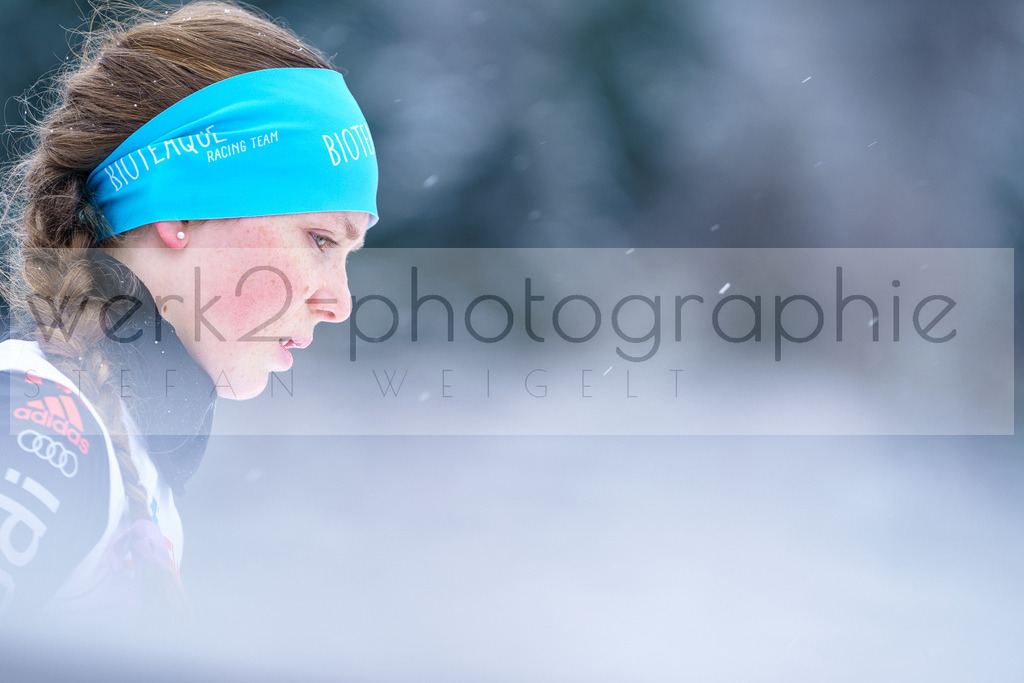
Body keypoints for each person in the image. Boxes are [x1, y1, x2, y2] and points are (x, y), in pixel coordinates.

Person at [0, 1, 377, 626]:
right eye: (319, 239)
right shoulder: (44, 433)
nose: (339, 302)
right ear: (178, 212)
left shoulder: (109, 437)